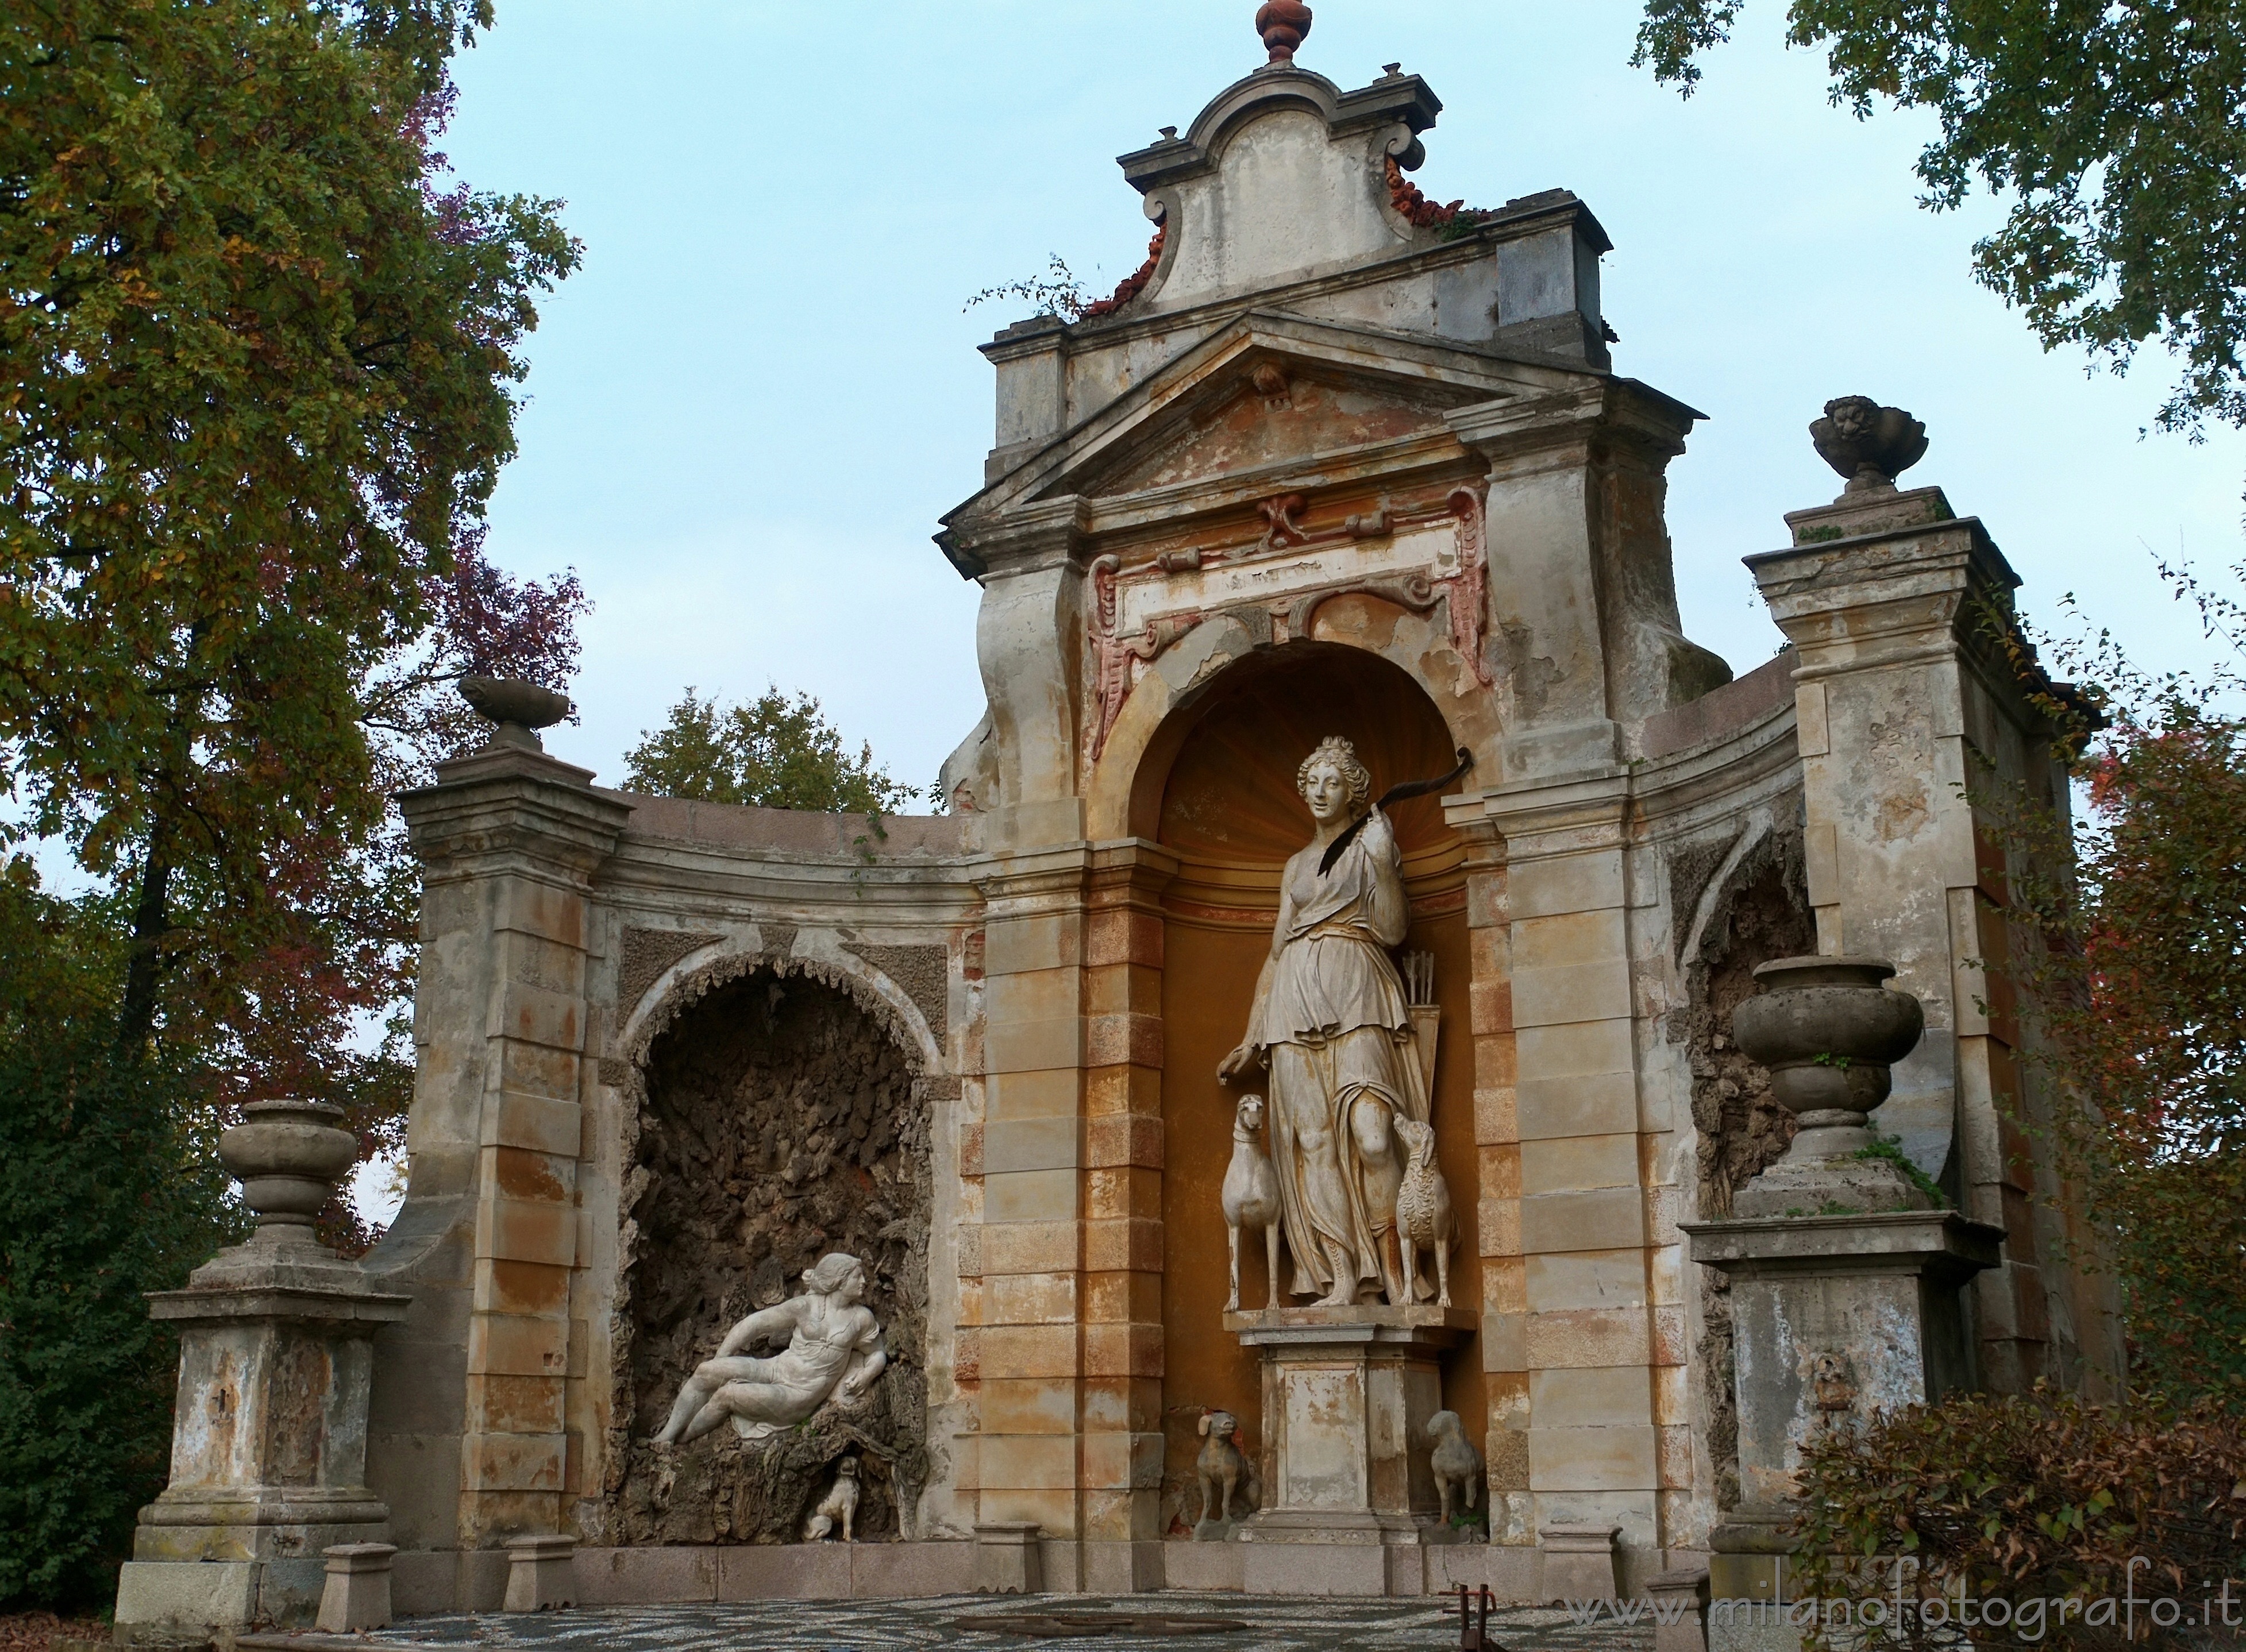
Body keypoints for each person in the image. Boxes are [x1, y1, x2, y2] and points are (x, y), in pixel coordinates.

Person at [1219, 735, 1430, 1307]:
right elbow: (1276, 950)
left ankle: (1393, 1271)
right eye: (1311, 780)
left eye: (1331, 781)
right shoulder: (1295, 865)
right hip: (1292, 1005)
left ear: (1354, 791)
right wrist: (1251, 1030)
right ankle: (1339, 1276)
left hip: (1358, 991)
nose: (1319, 790)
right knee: (1314, 1142)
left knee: (1373, 1135)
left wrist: (1386, 864)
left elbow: (1390, 929)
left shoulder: (1371, 847)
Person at [655, 1252, 886, 1445]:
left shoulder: (861, 1319)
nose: (864, 1282)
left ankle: (682, 1441)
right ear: (839, 1281)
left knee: (728, 1395)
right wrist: (720, 1360)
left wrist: (867, 1375)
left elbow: (877, 1353)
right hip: (776, 1368)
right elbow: (753, 1325)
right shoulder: (805, 1306)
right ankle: (666, 1436)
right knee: (707, 1371)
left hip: (799, 1394)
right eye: (858, 1277)